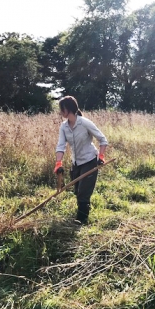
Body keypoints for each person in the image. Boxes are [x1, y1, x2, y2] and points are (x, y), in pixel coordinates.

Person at [54, 96, 108, 225]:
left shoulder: (84, 123)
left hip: (89, 160)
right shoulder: (64, 126)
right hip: (76, 162)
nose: (60, 112)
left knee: (84, 192)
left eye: (62, 109)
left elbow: (103, 139)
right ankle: (83, 211)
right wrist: (58, 163)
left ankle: (81, 218)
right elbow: (61, 145)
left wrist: (101, 157)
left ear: (68, 109)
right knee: (77, 191)